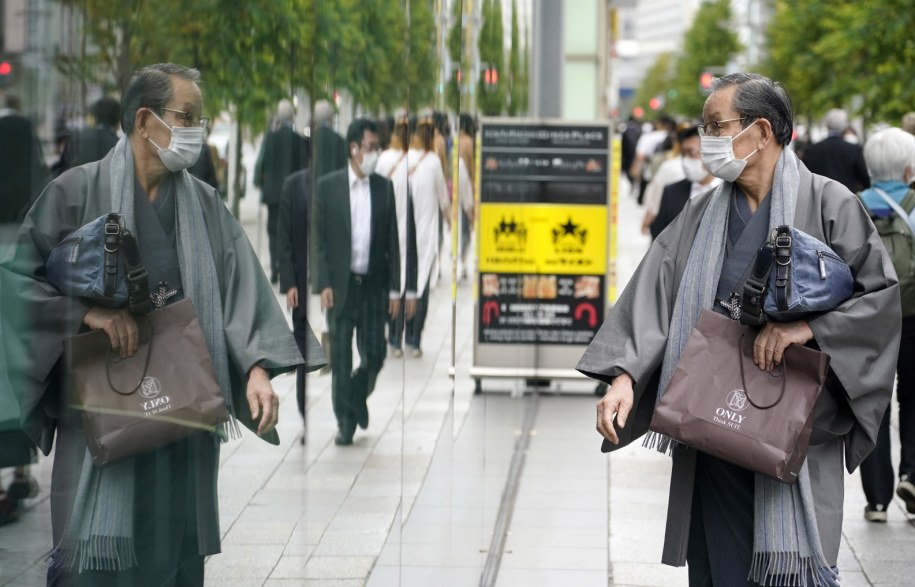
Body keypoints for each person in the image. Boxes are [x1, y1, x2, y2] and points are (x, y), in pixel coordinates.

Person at [1, 63, 323, 586]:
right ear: (145, 120)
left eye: (200, 117)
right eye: (187, 117)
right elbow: (16, 283)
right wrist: (88, 313)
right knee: (95, 568)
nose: (196, 130)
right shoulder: (76, 191)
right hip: (101, 422)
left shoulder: (203, 204)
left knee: (172, 565)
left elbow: (239, 286)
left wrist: (257, 369)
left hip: (182, 426)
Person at [579, 73, 899, 586]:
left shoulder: (830, 202)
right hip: (713, 421)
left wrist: (807, 329)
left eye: (716, 125)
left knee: (788, 568)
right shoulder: (704, 212)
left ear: (761, 131)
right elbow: (656, 293)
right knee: (719, 566)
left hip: (792, 425)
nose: (707, 139)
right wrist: (623, 377)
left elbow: (880, 302)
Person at [312, 118, 400, 446]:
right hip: (340, 287)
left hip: (374, 288)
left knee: (375, 354)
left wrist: (395, 289)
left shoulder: (384, 187)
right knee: (342, 358)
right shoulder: (328, 187)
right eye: (370, 147)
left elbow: (392, 241)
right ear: (353, 149)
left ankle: (356, 395)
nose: (375, 153)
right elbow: (318, 241)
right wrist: (323, 284)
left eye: (378, 147)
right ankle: (345, 423)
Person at [856, 127, 915, 522]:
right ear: (909, 166)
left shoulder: (854, 204)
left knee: (872, 404)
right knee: (913, 399)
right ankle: (912, 474)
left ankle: (877, 500)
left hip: (867, 319)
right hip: (912, 317)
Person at [402, 112, 449, 358]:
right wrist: (451, 222)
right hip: (427, 234)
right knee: (422, 289)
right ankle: (415, 337)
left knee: (407, 284)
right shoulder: (433, 163)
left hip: (405, 235)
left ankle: (403, 333)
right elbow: (444, 201)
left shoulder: (408, 160)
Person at [254, 99, 310, 284]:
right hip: (291, 194)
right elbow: (303, 168)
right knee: (290, 232)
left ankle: (275, 268)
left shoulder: (269, 137)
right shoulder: (297, 139)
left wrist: (259, 182)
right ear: (292, 116)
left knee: (273, 231)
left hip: (272, 194)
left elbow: (261, 163)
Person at [376, 112, 418, 358]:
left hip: (385, 229)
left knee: (389, 281)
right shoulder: (412, 161)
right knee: (404, 283)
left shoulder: (384, 159)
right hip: (405, 228)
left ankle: (389, 333)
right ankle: (401, 336)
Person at [649, 125, 720, 239]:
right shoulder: (671, 192)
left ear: (710, 152)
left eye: (691, 153)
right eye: (683, 154)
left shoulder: (729, 190)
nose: (686, 159)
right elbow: (659, 237)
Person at [802, 108, 870, 193]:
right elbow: (865, 179)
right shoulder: (854, 149)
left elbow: (804, 177)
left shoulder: (812, 150)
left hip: (819, 200)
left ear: (828, 125)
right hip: (847, 200)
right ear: (845, 126)